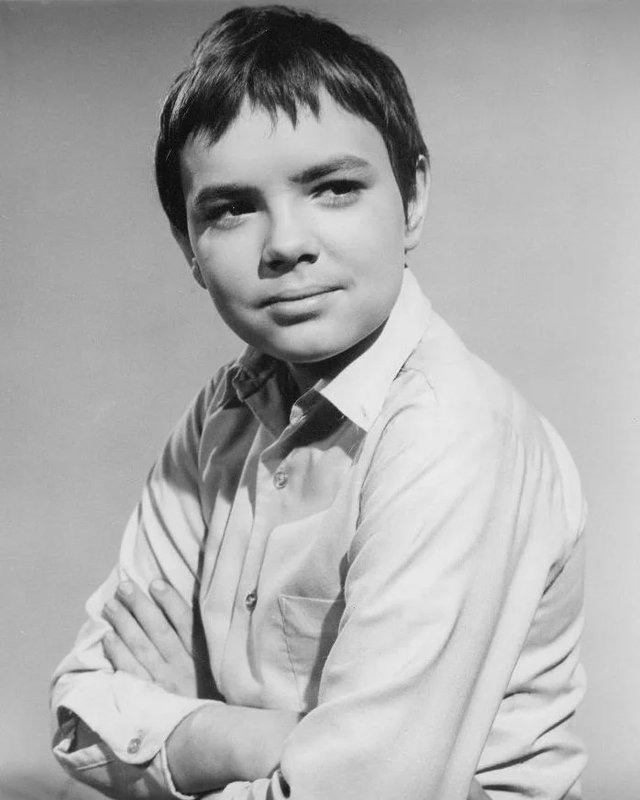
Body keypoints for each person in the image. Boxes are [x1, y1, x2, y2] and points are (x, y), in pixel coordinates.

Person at [50, 6, 587, 799]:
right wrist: (266, 737)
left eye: (334, 189)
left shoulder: (452, 432)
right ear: (188, 246)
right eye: (231, 208)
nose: (286, 244)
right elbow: (80, 714)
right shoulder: (221, 416)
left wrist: (182, 728)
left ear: (412, 198)